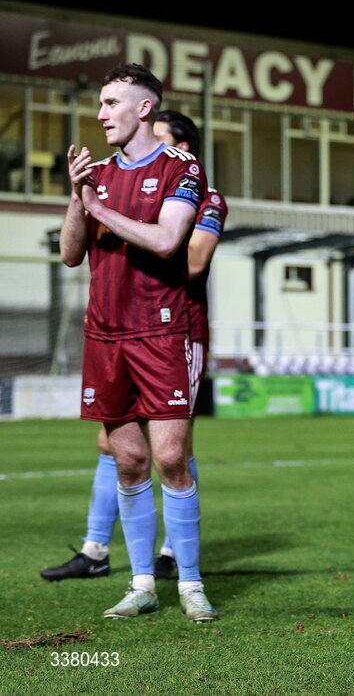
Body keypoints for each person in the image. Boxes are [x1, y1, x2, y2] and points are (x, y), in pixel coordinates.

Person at [59, 64, 218, 622]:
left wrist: (100, 207)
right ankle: (143, 582)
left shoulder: (182, 167)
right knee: (127, 460)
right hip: (104, 334)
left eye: (110, 103)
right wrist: (78, 199)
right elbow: (70, 254)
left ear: (143, 108)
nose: (100, 114)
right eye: (100, 104)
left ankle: (191, 583)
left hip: (161, 329)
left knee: (171, 456)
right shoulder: (97, 173)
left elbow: (170, 240)